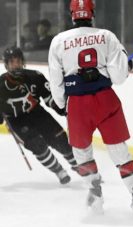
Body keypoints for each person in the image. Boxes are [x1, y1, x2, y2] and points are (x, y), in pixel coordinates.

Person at [48, 0, 133, 213]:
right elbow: (119, 76)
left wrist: (60, 103)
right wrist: (126, 66)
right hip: (106, 100)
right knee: (119, 151)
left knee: (82, 152)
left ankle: (95, 194)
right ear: (92, 13)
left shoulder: (58, 41)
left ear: (72, 14)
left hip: (77, 104)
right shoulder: (107, 36)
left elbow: (55, 78)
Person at [0, 46, 77, 184]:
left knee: (62, 142)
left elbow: (50, 98)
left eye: (18, 61)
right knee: (37, 145)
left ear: (22, 61)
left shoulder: (35, 76)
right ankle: (59, 171)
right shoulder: (0, 85)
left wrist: (63, 109)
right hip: (16, 121)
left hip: (37, 114)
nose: (16, 65)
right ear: (6, 64)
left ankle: (81, 167)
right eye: (12, 62)